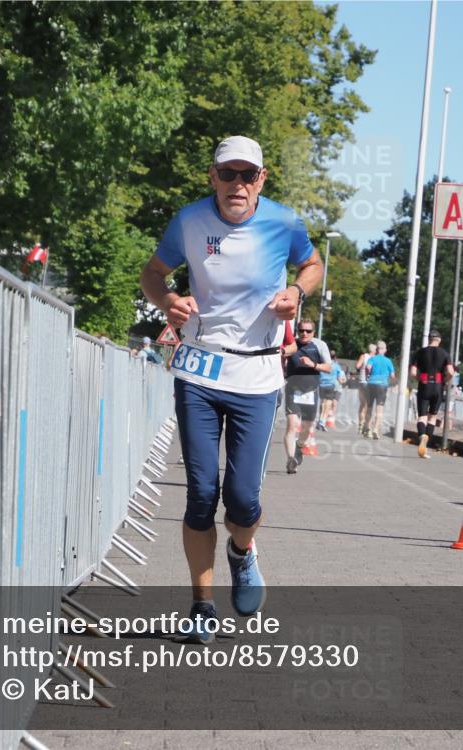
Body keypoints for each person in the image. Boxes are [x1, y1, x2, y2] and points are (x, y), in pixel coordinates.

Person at [139, 135, 323, 643]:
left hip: (258, 376)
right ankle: (201, 606)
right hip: (199, 370)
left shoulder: (283, 222)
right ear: (212, 177)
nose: (237, 185)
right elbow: (152, 275)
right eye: (228, 174)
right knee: (201, 493)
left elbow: (313, 265)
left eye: (248, 175)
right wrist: (168, 301)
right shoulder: (190, 221)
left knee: (241, 498)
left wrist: (296, 292)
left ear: (262, 179)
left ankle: (242, 552)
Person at [283, 321, 331, 473]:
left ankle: (299, 446)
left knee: (307, 428)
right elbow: (281, 356)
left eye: (308, 331)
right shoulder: (292, 345)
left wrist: (314, 365)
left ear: (313, 332)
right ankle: (291, 459)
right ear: (297, 331)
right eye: (301, 330)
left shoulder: (320, 345)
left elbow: (329, 368)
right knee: (292, 425)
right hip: (293, 390)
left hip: (311, 391)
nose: (304, 333)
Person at [409, 331, 454, 458]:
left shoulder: (420, 352)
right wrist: (444, 380)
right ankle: (426, 443)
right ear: (439, 340)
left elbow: (412, 372)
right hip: (438, 386)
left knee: (422, 416)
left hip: (424, 384)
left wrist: (420, 378)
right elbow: (450, 371)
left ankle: (421, 435)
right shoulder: (445, 353)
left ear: (429, 339)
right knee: (433, 417)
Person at [363, 340, 396, 440]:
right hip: (382, 385)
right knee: (379, 409)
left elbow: (368, 368)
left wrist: (368, 376)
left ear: (377, 349)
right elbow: (392, 375)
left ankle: (367, 428)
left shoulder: (372, 358)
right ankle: (376, 430)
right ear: (385, 350)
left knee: (369, 407)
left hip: (371, 383)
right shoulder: (388, 361)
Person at [318, 349, 346, 430]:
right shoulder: (336, 366)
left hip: (322, 384)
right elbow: (340, 377)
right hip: (331, 385)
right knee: (328, 403)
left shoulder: (322, 364)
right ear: (335, 357)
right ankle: (322, 421)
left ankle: (320, 418)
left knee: (322, 402)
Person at [355, 343, 377, 434]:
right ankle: (367, 426)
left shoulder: (363, 356)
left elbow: (357, 366)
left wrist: (361, 371)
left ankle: (360, 424)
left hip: (361, 382)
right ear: (375, 351)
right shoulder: (375, 359)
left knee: (362, 404)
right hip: (370, 383)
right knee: (369, 406)